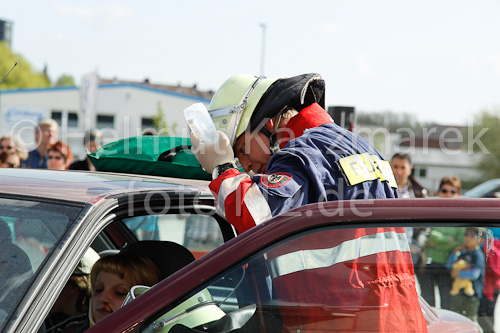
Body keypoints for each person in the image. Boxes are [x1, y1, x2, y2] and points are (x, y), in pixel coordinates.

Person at [190, 73, 426, 331]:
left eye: (241, 149)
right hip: (400, 318)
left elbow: (256, 215)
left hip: (344, 321)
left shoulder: (302, 154)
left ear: (268, 124)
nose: (244, 165)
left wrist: (221, 167)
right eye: (236, 159)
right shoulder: (362, 148)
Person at [418, 176, 466, 310]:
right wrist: (447, 239)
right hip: (427, 265)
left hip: (448, 267)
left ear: (459, 194)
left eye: (453, 191)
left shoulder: (462, 215)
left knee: (447, 306)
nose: (448, 195)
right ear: (439, 192)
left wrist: (435, 241)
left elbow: (460, 242)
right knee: (428, 306)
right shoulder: (431, 210)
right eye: (444, 191)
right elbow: (426, 235)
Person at [44, 248, 100, 333]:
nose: (45, 286)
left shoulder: (91, 328)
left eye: (52, 281)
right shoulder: (47, 319)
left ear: (73, 287)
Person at [391, 152, 430, 270]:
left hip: (409, 247)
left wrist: (417, 244)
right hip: (386, 245)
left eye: (403, 167)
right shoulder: (382, 190)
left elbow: (427, 223)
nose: (398, 171)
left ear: (410, 169)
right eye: (395, 166)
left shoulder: (419, 193)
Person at [447, 227, 486, 323]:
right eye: (466, 235)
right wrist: (455, 252)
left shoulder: (478, 255)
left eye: (472, 235)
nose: (468, 238)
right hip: (458, 293)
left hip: (472, 295)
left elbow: (475, 274)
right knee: (454, 319)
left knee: (469, 321)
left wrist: (458, 274)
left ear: (480, 239)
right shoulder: (462, 253)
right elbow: (449, 266)